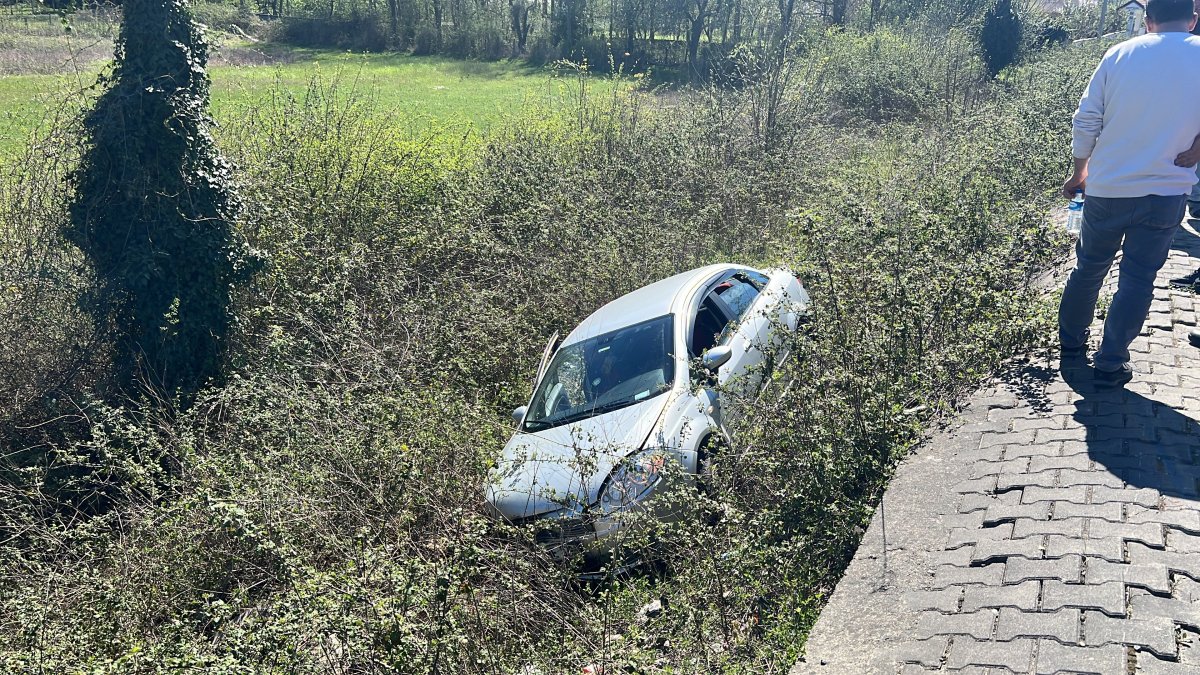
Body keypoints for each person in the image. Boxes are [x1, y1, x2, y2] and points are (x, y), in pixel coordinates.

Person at [1059, 0, 1200, 384]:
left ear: (1147, 21)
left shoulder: (1120, 53)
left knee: (1089, 268)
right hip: (1166, 191)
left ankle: (1071, 345)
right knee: (1138, 278)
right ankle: (1111, 361)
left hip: (1109, 187)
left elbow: (1086, 118)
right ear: (1193, 18)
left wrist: (1079, 173)